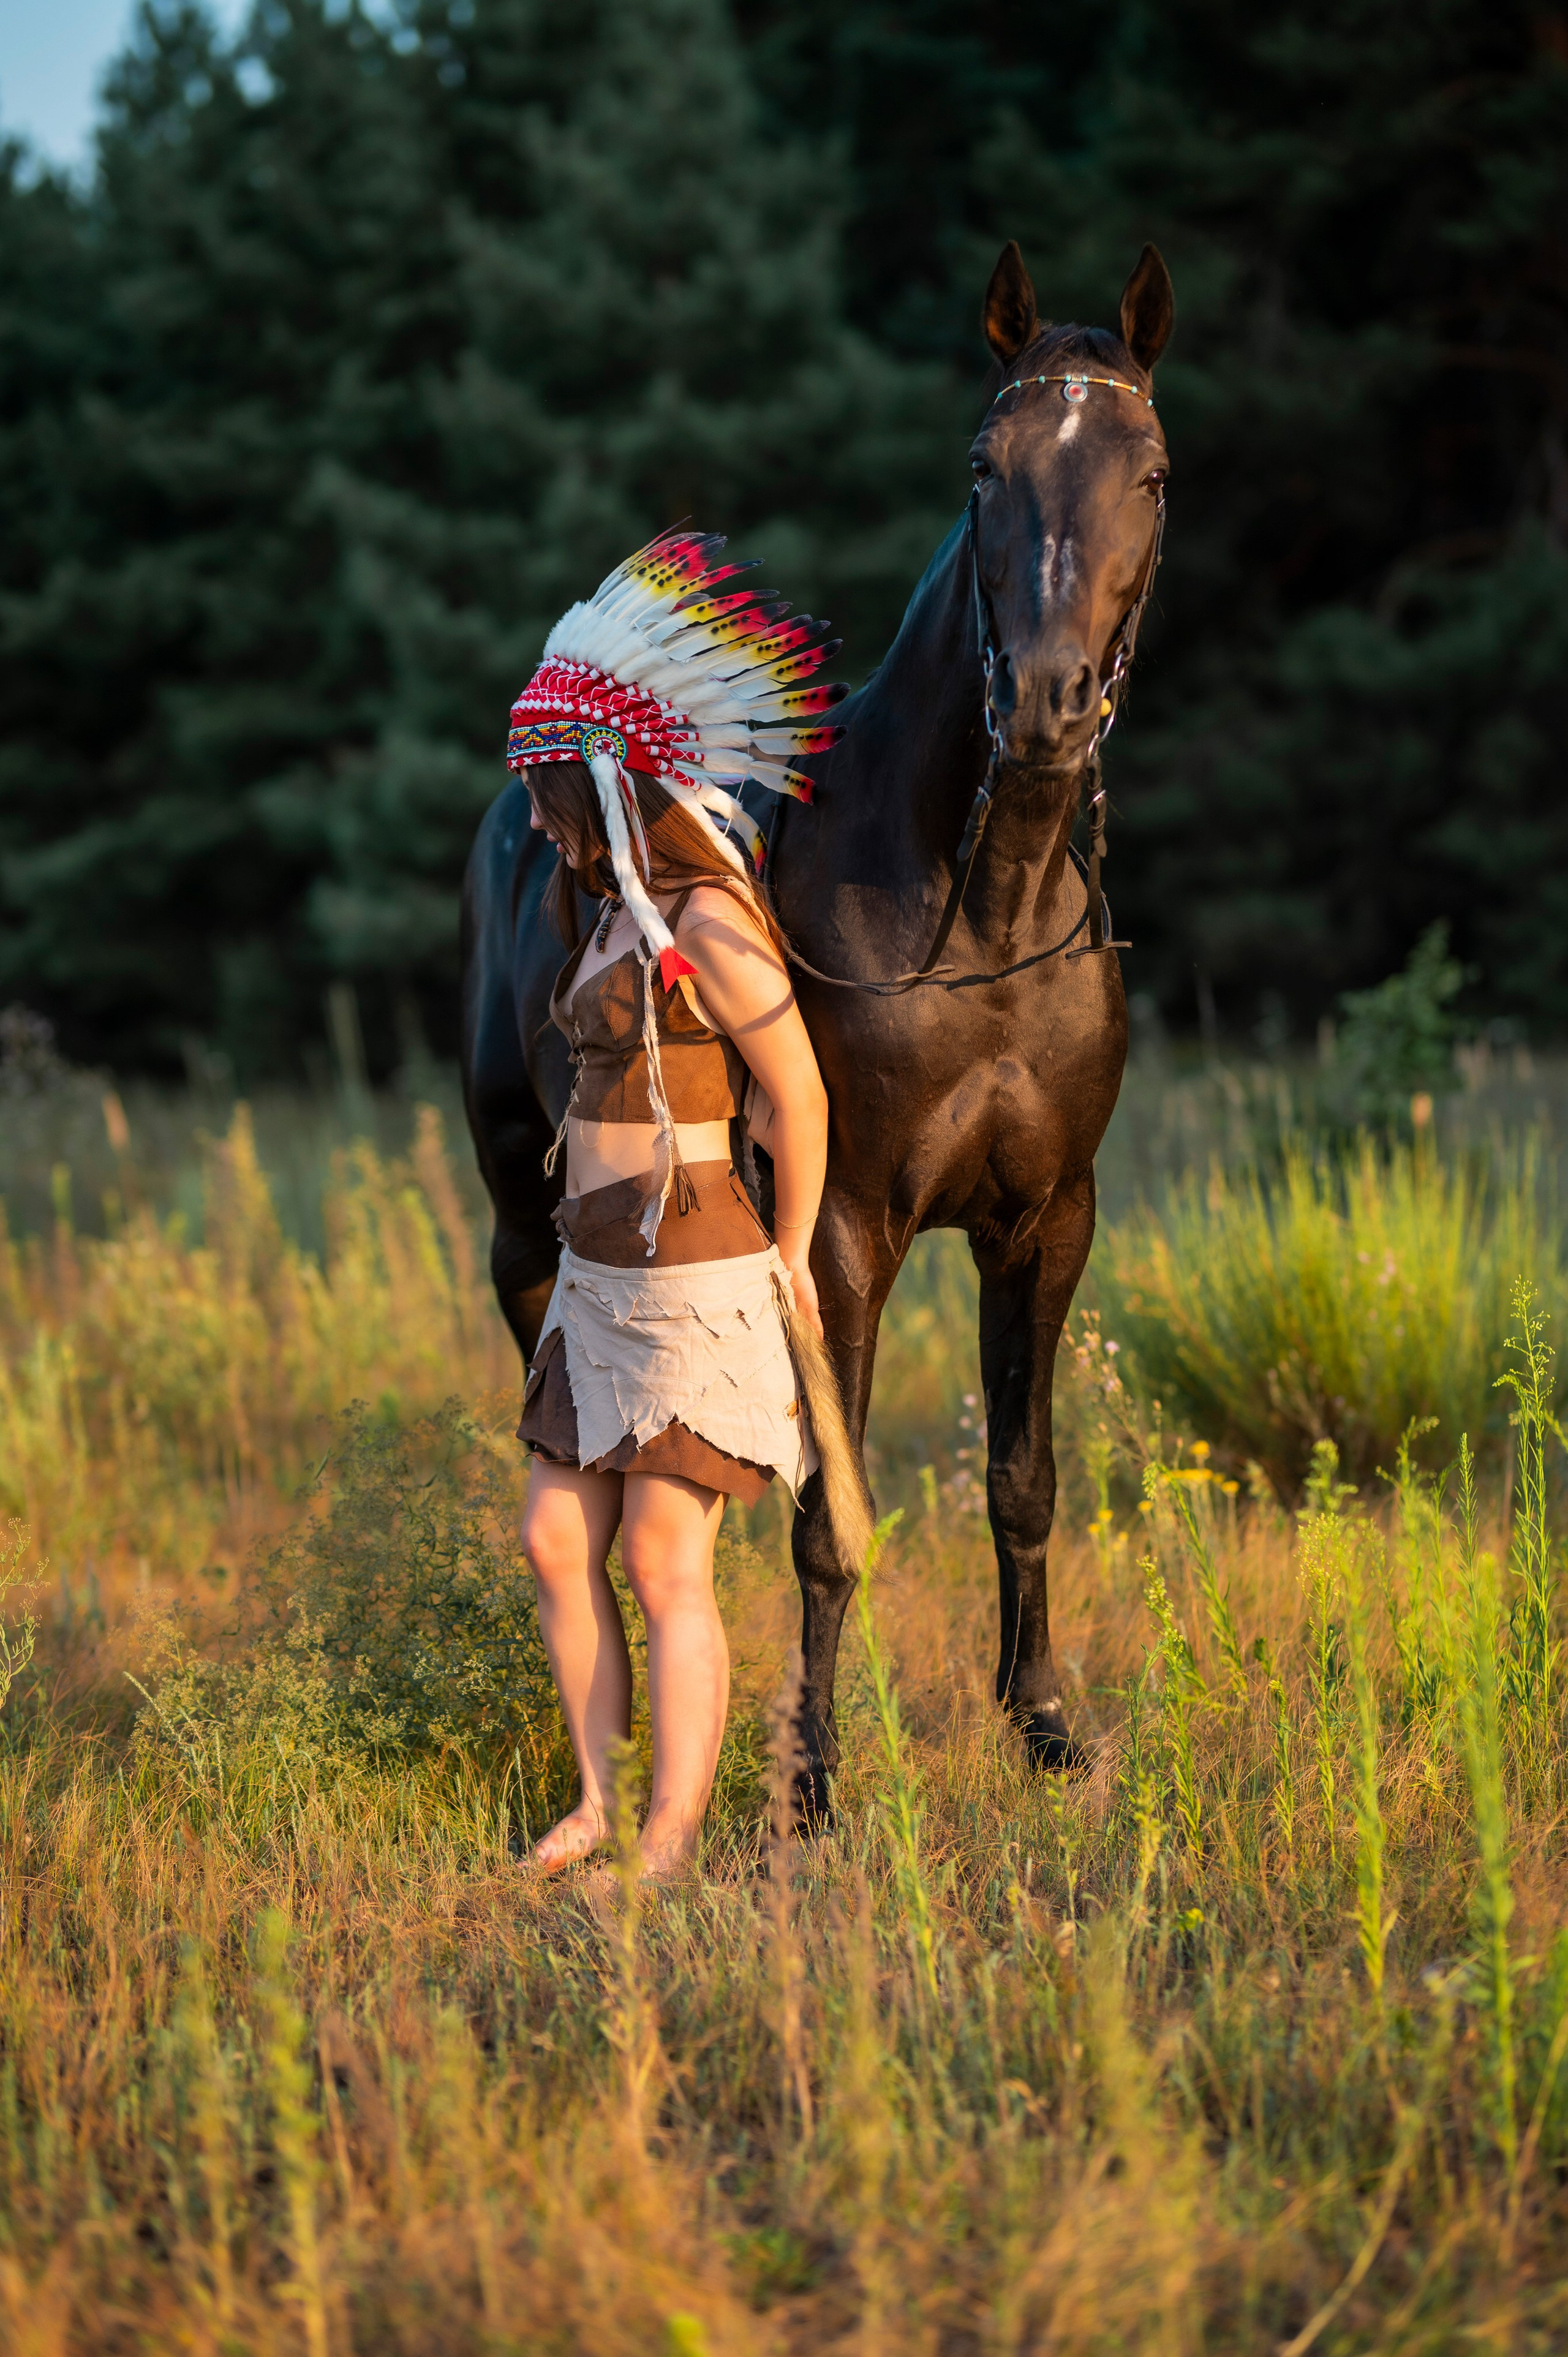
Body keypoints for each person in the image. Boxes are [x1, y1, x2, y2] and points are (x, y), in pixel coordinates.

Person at [506, 529, 847, 1876]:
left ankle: (665, 1834)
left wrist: (800, 1253)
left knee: (661, 1560)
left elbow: (798, 1096)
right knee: (551, 1536)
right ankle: (594, 1801)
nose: (535, 821)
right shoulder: (602, 913)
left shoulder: (704, 918)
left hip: (694, 1271)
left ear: (600, 791)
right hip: (594, 1272)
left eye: (545, 796)